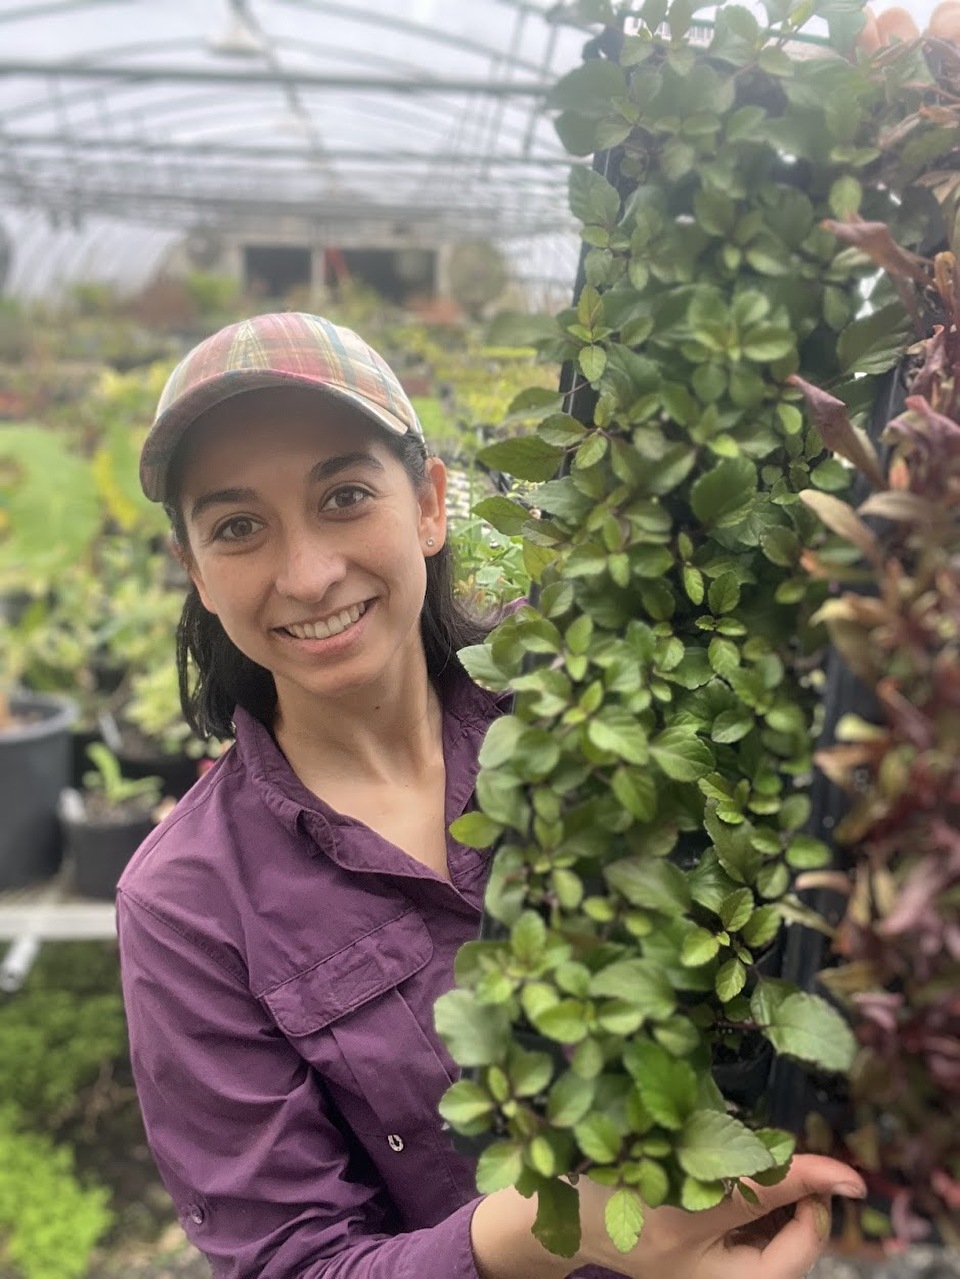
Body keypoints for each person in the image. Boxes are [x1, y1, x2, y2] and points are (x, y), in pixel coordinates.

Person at [117, 311, 867, 1279]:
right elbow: (288, 1261)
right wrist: (544, 1229)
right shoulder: (185, 903)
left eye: (345, 494)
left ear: (430, 505)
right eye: (237, 527)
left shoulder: (572, 697)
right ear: (196, 571)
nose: (307, 574)